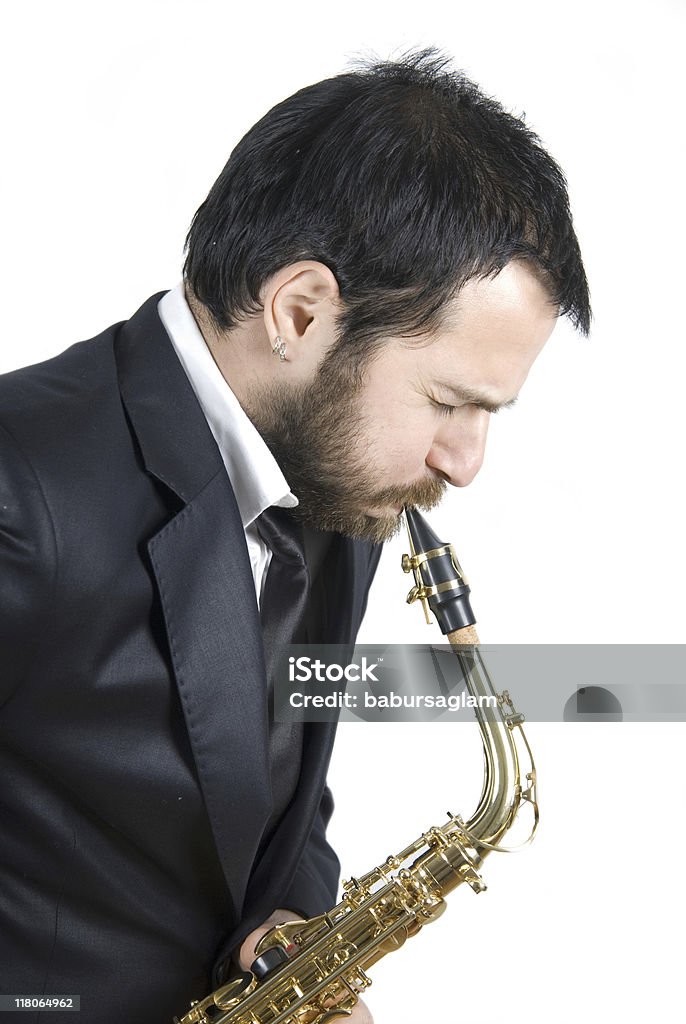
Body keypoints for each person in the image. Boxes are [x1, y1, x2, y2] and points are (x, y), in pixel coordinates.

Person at [0, 48, 590, 1024]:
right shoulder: (19, 487)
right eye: (449, 401)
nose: (464, 461)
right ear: (300, 311)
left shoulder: (331, 481)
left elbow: (276, 798)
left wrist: (295, 933)